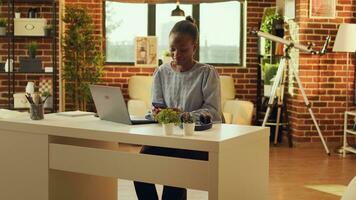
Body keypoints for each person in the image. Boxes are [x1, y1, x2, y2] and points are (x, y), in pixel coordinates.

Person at [134, 16, 221, 200]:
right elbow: (156, 107)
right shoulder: (161, 72)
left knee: (175, 170)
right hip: (167, 139)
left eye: (183, 50)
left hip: (197, 141)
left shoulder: (207, 73)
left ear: (194, 47)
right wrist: (157, 113)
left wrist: (184, 115)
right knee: (139, 166)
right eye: (172, 49)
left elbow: (213, 112)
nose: (176, 55)